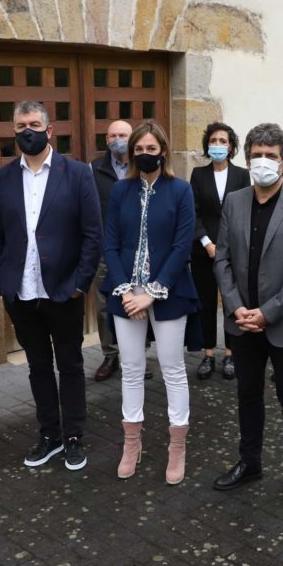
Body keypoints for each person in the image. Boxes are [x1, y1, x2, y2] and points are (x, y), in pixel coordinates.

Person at [0, 100, 102, 471]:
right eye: (21, 126)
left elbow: (92, 235)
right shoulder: (2, 178)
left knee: (69, 364)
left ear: (49, 130)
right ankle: (49, 435)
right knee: (37, 366)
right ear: (14, 132)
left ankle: (73, 437)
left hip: (62, 290)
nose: (28, 131)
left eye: (34, 124)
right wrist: (4, 281)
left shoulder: (77, 173)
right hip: (21, 293)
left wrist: (79, 284)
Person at [212, 122, 283, 509]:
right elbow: (222, 258)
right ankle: (250, 461)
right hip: (243, 322)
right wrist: (235, 305)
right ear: (247, 159)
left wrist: (268, 313)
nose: (262, 162)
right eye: (256, 155)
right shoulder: (235, 202)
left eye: (270, 156)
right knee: (247, 394)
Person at [102, 121, 199, 484]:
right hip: (126, 294)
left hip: (167, 292)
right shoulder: (121, 191)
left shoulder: (180, 190)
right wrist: (126, 290)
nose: (145, 155)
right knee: (130, 367)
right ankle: (132, 443)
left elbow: (181, 245)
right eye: (138, 150)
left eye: (151, 150)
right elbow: (109, 243)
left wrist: (152, 291)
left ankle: (177, 448)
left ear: (163, 152)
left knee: (173, 369)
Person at [190, 122, 250, 381]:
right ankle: (207, 354)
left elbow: (244, 211)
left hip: (233, 250)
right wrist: (207, 243)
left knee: (231, 302)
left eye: (223, 141)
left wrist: (226, 247)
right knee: (205, 302)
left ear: (231, 146)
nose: (218, 145)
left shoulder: (241, 176)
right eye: (213, 140)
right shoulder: (198, 175)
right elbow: (194, 212)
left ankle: (230, 353)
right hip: (204, 251)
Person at [90, 120, 132, 381]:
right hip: (105, 249)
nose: (118, 139)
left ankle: (137, 355)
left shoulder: (141, 166)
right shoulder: (93, 169)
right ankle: (110, 355)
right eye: (113, 135)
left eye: (123, 135)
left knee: (136, 302)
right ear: (106, 140)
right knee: (105, 304)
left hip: (134, 250)